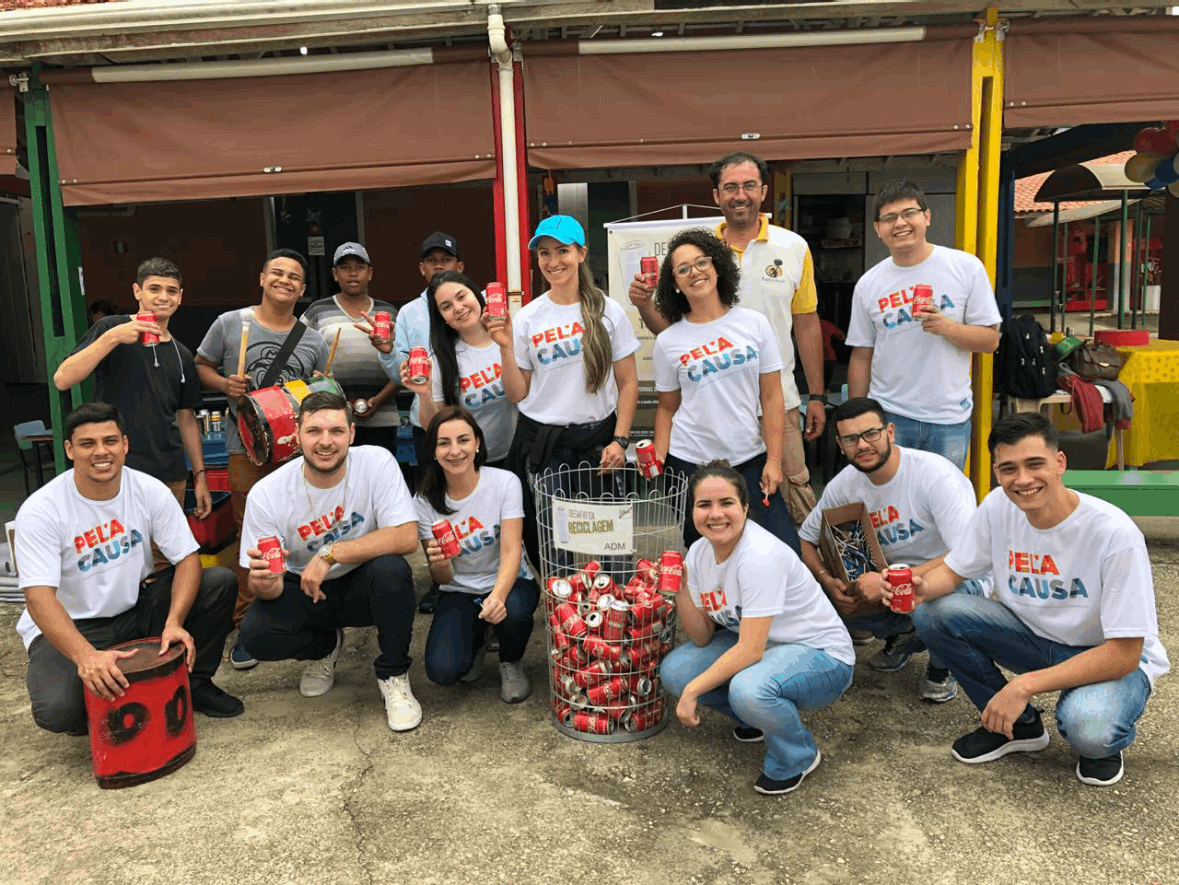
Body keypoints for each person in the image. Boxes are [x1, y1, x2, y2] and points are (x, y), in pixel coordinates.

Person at [906, 414, 1169, 787]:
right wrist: (920, 589)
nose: (1023, 480)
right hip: (1036, 638)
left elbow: (1125, 652)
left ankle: (1104, 734)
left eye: (1035, 464)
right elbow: (952, 572)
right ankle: (1021, 727)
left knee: (1089, 732)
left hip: (1107, 656)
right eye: (1008, 468)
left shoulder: (1113, 532)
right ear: (996, 472)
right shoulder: (999, 505)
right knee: (934, 613)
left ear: (1060, 463)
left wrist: (1022, 685)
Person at [15, 403, 242, 735]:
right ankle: (120, 699)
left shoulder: (148, 490)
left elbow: (187, 558)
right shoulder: (42, 510)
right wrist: (84, 657)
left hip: (134, 608)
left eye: (109, 441)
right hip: (73, 623)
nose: (100, 452)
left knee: (217, 582)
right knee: (59, 711)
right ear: (69, 449)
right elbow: (38, 598)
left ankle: (193, 683)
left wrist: (175, 622)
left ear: (125, 444)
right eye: (87, 443)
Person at [630, 152, 827, 523]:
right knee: (715, 517)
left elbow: (806, 321)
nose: (741, 195)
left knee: (790, 503)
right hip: (713, 413)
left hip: (777, 401)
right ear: (716, 195)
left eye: (749, 186)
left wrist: (815, 394)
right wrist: (643, 306)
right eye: (731, 187)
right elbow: (677, 339)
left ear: (764, 191)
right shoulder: (700, 252)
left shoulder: (793, 247)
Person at [660, 461, 854, 796]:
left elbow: (749, 650)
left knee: (748, 689)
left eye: (727, 503)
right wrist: (679, 588)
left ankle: (798, 755)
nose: (715, 514)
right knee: (677, 671)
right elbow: (702, 636)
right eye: (704, 505)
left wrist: (694, 692)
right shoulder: (699, 553)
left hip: (821, 655)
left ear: (745, 508)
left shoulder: (759, 555)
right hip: (765, 648)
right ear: (692, 511)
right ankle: (756, 718)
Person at [238, 391, 422, 732]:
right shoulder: (267, 493)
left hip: (361, 583)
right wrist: (263, 584)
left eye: (336, 431)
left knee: (392, 570)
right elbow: (267, 584)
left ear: (352, 434)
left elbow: (407, 537)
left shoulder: (376, 462)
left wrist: (330, 553)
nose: (326, 442)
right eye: (314, 432)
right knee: (255, 635)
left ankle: (393, 674)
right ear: (297, 434)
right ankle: (325, 647)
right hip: (306, 589)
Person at [797, 397, 988, 703]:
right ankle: (904, 634)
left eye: (871, 434)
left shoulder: (934, 475)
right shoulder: (843, 485)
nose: (862, 445)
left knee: (942, 604)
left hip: (954, 578)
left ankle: (944, 665)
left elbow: (968, 554)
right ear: (840, 445)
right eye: (851, 439)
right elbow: (805, 539)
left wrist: (889, 581)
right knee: (820, 599)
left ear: (890, 431)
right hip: (892, 584)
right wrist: (826, 580)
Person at [196, 248, 329, 668]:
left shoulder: (313, 339)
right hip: (244, 449)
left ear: (303, 289)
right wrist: (224, 384)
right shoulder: (231, 324)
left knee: (300, 529)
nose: (285, 281)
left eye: (294, 277)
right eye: (277, 273)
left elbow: (318, 392)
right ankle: (246, 618)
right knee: (249, 535)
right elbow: (201, 365)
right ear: (261, 277)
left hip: (295, 453)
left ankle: (301, 609)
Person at [495, 215, 640, 571]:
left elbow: (628, 383)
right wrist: (503, 348)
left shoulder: (609, 311)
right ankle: (566, 619)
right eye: (544, 253)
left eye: (562, 250)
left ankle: (614, 614)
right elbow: (517, 393)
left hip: (600, 442)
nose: (553, 261)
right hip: (547, 446)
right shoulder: (529, 317)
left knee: (613, 546)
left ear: (581, 253)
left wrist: (620, 441)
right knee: (554, 549)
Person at [651, 228, 797, 554]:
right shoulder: (668, 342)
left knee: (783, 550)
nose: (695, 272)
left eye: (701, 262)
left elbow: (772, 397)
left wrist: (774, 459)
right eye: (683, 269)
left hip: (749, 459)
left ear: (717, 266)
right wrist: (658, 459)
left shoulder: (754, 324)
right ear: (674, 283)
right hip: (690, 463)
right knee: (708, 557)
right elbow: (666, 408)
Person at [846, 179, 1002, 469]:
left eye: (909, 213)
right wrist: (858, 416)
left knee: (943, 503)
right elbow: (861, 353)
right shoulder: (869, 284)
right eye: (889, 218)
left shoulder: (965, 267)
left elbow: (990, 341)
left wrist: (946, 327)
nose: (900, 223)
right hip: (890, 415)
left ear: (926, 217)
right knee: (890, 498)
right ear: (878, 229)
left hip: (949, 418)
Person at [55, 258, 211, 523]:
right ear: (137, 291)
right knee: (117, 551)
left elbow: (186, 418)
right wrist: (113, 337)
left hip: (169, 471)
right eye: (154, 289)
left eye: (171, 291)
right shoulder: (110, 328)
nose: (163, 297)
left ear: (181, 297)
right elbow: (63, 379)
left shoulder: (182, 353)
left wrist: (200, 476)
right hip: (115, 470)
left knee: (165, 554)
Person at [413, 407, 539, 702]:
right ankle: (479, 636)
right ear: (432, 450)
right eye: (444, 443)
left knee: (515, 613)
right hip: (459, 590)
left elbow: (511, 550)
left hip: (510, 581)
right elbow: (442, 577)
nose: (455, 451)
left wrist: (497, 595)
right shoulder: (423, 502)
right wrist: (440, 563)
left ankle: (511, 660)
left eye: (463, 440)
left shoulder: (504, 482)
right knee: (442, 672)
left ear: (478, 443)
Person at [376, 231, 465, 615]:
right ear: (421, 268)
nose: (438, 267)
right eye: (431, 261)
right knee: (435, 503)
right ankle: (439, 579)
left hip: (469, 421)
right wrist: (384, 352)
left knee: (476, 500)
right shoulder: (409, 312)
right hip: (426, 420)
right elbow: (401, 368)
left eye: (445, 260)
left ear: (459, 267)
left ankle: (487, 575)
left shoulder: (465, 304)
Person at [399, 271, 517, 466]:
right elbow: (434, 427)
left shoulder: (510, 336)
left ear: (476, 295)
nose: (458, 308)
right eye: (446, 306)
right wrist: (424, 394)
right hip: (469, 463)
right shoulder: (439, 360)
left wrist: (506, 347)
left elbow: (521, 395)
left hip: (516, 454)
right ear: (442, 317)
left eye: (462, 297)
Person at [300, 242, 401, 453]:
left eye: (359, 267)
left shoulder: (388, 312)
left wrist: (378, 401)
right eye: (345, 268)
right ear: (335, 274)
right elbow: (299, 358)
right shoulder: (317, 311)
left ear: (370, 273)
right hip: (331, 418)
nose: (353, 273)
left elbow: (403, 364)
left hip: (382, 416)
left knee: (377, 479)